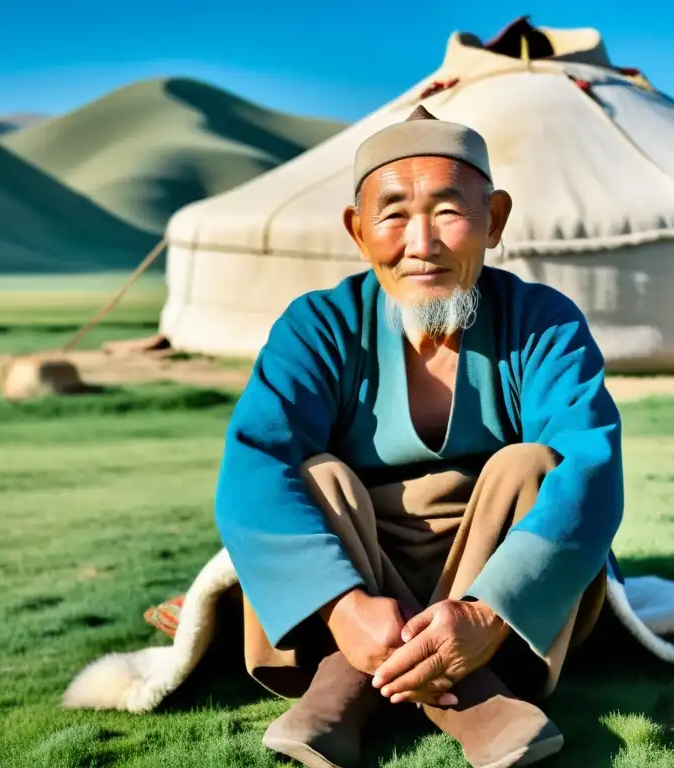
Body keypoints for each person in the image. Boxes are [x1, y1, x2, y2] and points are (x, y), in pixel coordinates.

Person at [213, 104, 625, 768]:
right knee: (317, 475)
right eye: (394, 214)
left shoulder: (541, 322)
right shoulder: (319, 326)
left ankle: (400, 685)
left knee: (531, 466)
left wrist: (487, 614)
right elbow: (256, 462)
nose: (421, 242)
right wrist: (343, 607)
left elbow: (590, 462)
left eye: (447, 211)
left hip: (493, 561)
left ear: (493, 221)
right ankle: (407, 689)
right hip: (358, 562)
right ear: (357, 230)